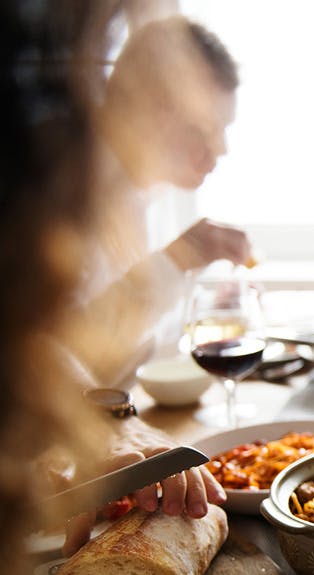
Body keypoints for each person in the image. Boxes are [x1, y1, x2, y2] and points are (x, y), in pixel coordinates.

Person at [1, 3, 224, 570]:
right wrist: (108, 427)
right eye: (204, 129)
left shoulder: (141, 202)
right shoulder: (51, 193)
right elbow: (41, 340)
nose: (219, 150)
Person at [63, 15, 254, 388]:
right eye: (203, 129)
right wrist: (182, 255)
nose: (221, 149)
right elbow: (68, 358)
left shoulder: (152, 192)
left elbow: (139, 347)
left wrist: (211, 300)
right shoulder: (65, 200)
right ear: (143, 111)